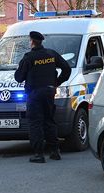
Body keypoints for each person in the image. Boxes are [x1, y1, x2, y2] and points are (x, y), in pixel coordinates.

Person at [15, 31, 71, 163]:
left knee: (35, 123)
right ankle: (55, 151)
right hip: (49, 92)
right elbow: (67, 69)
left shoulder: (28, 57)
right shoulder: (51, 54)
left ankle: (38, 154)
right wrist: (56, 82)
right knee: (49, 121)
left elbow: (18, 78)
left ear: (32, 42)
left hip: (34, 94)